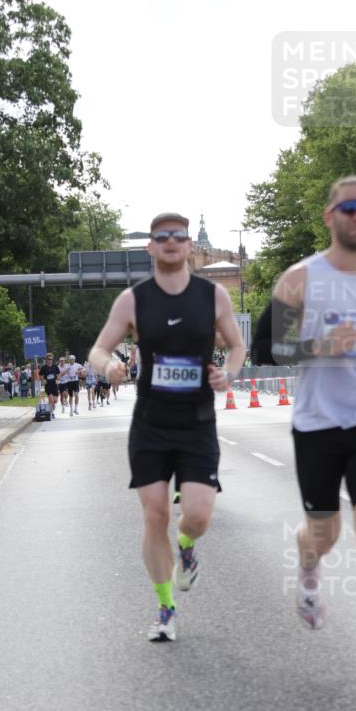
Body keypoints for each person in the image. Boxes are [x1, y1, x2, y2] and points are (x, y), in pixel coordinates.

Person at [251, 175, 356, 705]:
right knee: (324, 535)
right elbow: (267, 349)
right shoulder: (300, 280)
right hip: (317, 426)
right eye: (350, 208)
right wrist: (323, 343)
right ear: (331, 216)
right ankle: (309, 572)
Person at [89, 212, 245, 642]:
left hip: (197, 423)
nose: (172, 242)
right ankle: (164, 607)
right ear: (151, 247)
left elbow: (236, 345)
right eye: (163, 237)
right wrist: (110, 366)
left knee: (195, 515)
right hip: (151, 423)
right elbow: (98, 349)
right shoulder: (132, 301)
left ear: (190, 245)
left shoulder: (214, 297)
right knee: (154, 514)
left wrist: (228, 374)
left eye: (179, 236)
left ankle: (187, 547)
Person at [39, 353, 60, 418]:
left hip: (54, 385)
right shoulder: (44, 367)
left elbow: (58, 373)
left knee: (55, 400)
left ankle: (52, 406)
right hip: (48, 385)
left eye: (51, 359)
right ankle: (52, 413)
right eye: (48, 359)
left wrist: (57, 379)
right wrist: (43, 380)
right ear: (46, 360)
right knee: (51, 399)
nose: (50, 360)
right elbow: (40, 375)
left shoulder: (55, 366)